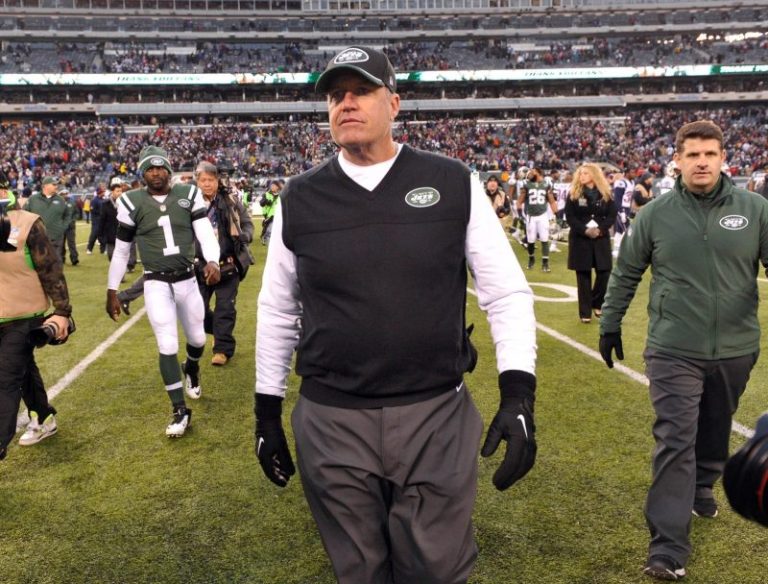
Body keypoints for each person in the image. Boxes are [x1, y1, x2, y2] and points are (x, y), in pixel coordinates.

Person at [254, 46, 538, 584]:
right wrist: (266, 413)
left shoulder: (453, 181)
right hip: (332, 416)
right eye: (336, 95)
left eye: (361, 91)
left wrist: (518, 393)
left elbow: (505, 293)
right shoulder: (299, 197)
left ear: (395, 103)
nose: (346, 103)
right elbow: (277, 309)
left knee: (436, 568)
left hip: (435, 411)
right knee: (358, 571)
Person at [598, 120, 768, 582]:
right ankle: (667, 547)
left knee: (716, 425)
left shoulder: (755, 209)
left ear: (723, 158)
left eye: (710, 154)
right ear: (677, 160)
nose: (702, 162)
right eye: (692, 155)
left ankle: (703, 484)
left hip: (736, 346)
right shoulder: (655, 214)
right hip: (673, 348)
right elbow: (626, 272)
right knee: (675, 438)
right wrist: (610, 323)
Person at [105, 146, 221, 438]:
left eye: (160, 168)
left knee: (198, 339)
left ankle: (191, 367)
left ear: (169, 171)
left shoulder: (189, 193)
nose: (155, 173)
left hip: (187, 279)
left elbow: (204, 231)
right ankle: (179, 410)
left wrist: (213, 261)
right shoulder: (130, 201)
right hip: (155, 282)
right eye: (149, 168)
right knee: (167, 343)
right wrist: (112, 290)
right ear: (142, 173)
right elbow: (122, 251)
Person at [0, 173, 72, 461]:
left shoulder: (27, 222)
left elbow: (50, 269)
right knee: (23, 370)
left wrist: (62, 311)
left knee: (5, 377)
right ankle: (43, 417)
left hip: (22, 314)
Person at [193, 161, 254, 367]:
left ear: (217, 181)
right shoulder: (190, 203)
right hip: (201, 265)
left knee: (225, 308)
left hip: (228, 264)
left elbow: (247, 223)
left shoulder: (230, 200)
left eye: (211, 180)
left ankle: (222, 349)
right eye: (203, 180)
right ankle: (217, 331)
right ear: (197, 182)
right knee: (196, 311)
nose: (207, 184)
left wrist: (246, 235)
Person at [565, 163, 617, 324]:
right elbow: (570, 216)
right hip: (580, 239)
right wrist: (585, 230)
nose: (582, 176)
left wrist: (601, 229)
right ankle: (585, 312)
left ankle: (597, 302)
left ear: (594, 175)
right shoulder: (574, 194)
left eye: (586, 173)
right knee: (583, 276)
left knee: (605, 272)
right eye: (580, 174)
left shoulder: (606, 193)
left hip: (600, 238)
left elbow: (612, 214)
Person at [516, 167, 557, 272]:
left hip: (543, 215)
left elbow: (552, 201)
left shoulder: (546, 185)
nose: (529, 173)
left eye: (532, 172)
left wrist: (557, 214)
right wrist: (520, 215)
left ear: (538, 173)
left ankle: (545, 263)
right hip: (531, 216)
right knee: (531, 241)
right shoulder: (526, 185)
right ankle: (531, 258)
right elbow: (519, 201)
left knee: (544, 239)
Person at [23, 176, 70, 263]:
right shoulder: (33, 199)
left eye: (56, 185)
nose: (56, 186)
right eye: (54, 184)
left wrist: (62, 227)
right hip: (38, 239)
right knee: (40, 264)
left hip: (55, 238)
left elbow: (67, 215)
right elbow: (24, 214)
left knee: (56, 264)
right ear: (45, 186)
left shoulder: (61, 200)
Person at [61, 188, 80, 266]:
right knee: (61, 244)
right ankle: (61, 258)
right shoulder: (57, 203)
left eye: (66, 193)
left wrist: (73, 220)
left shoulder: (72, 202)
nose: (65, 195)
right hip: (61, 227)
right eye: (63, 194)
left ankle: (74, 259)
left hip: (70, 227)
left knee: (71, 243)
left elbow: (77, 213)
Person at [86, 184, 106, 255]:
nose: (104, 193)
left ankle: (103, 250)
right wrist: (101, 213)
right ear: (100, 192)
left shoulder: (103, 200)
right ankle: (89, 249)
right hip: (96, 220)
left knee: (103, 235)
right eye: (103, 191)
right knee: (94, 235)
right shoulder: (94, 200)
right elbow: (92, 210)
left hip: (102, 220)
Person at [258, 180, 280, 245]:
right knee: (269, 229)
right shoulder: (266, 194)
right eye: (271, 185)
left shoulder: (280, 195)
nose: (272, 187)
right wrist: (266, 201)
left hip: (278, 215)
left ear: (277, 187)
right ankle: (266, 240)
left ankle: (268, 239)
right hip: (269, 215)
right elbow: (261, 203)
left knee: (275, 229)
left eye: (274, 186)